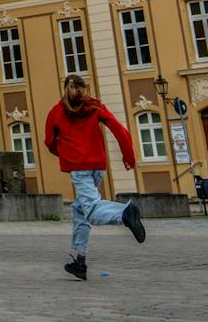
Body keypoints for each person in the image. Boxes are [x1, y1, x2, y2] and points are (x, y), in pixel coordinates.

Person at [44, 75, 145, 281]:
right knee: (80, 209)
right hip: (97, 166)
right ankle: (79, 261)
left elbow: (49, 142)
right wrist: (129, 157)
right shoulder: (95, 106)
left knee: (90, 209)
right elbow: (119, 129)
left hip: (79, 168)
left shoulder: (56, 112)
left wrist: (64, 154)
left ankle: (124, 213)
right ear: (85, 89)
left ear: (65, 89)